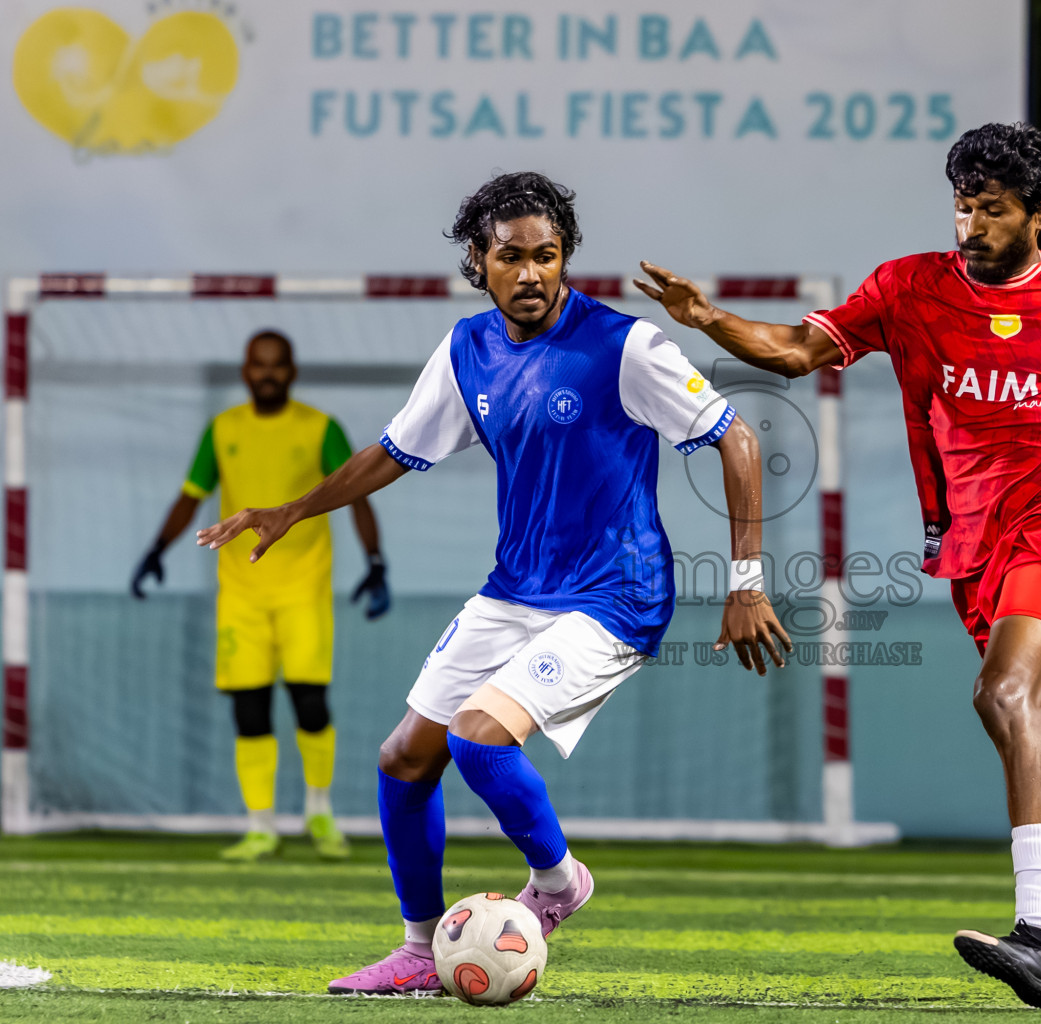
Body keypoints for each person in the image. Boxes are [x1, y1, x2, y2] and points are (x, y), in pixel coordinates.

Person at [635, 122, 1041, 1009]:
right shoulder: (909, 288)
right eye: (963, 206)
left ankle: (1039, 940)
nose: (971, 225)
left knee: (1003, 696)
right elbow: (797, 353)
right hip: (975, 549)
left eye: (992, 209)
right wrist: (707, 319)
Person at [196, 172, 791, 996]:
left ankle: (557, 884)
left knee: (478, 739)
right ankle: (415, 948)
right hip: (517, 590)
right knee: (404, 759)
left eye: (547, 256)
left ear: (565, 260)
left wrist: (748, 582)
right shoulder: (466, 349)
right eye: (511, 257)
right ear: (479, 263)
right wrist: (294, 509)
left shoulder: (625, 346)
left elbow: (738, 442)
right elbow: (393, 451)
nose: (531, 274)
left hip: (616, 595)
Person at [132, 331, 390, 862]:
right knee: (249, 710)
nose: (267, 374)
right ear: (246, 370)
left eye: (277, 366)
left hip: (303, 590)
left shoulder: (320, 428)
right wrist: (157, 548)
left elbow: (356, 491)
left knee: (310, 702)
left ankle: (319, 813)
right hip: (242, 597)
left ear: (291, 371)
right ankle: (260, 826)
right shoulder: (222, 430)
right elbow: (191, 496)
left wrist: (375, 561)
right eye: (258, 365)